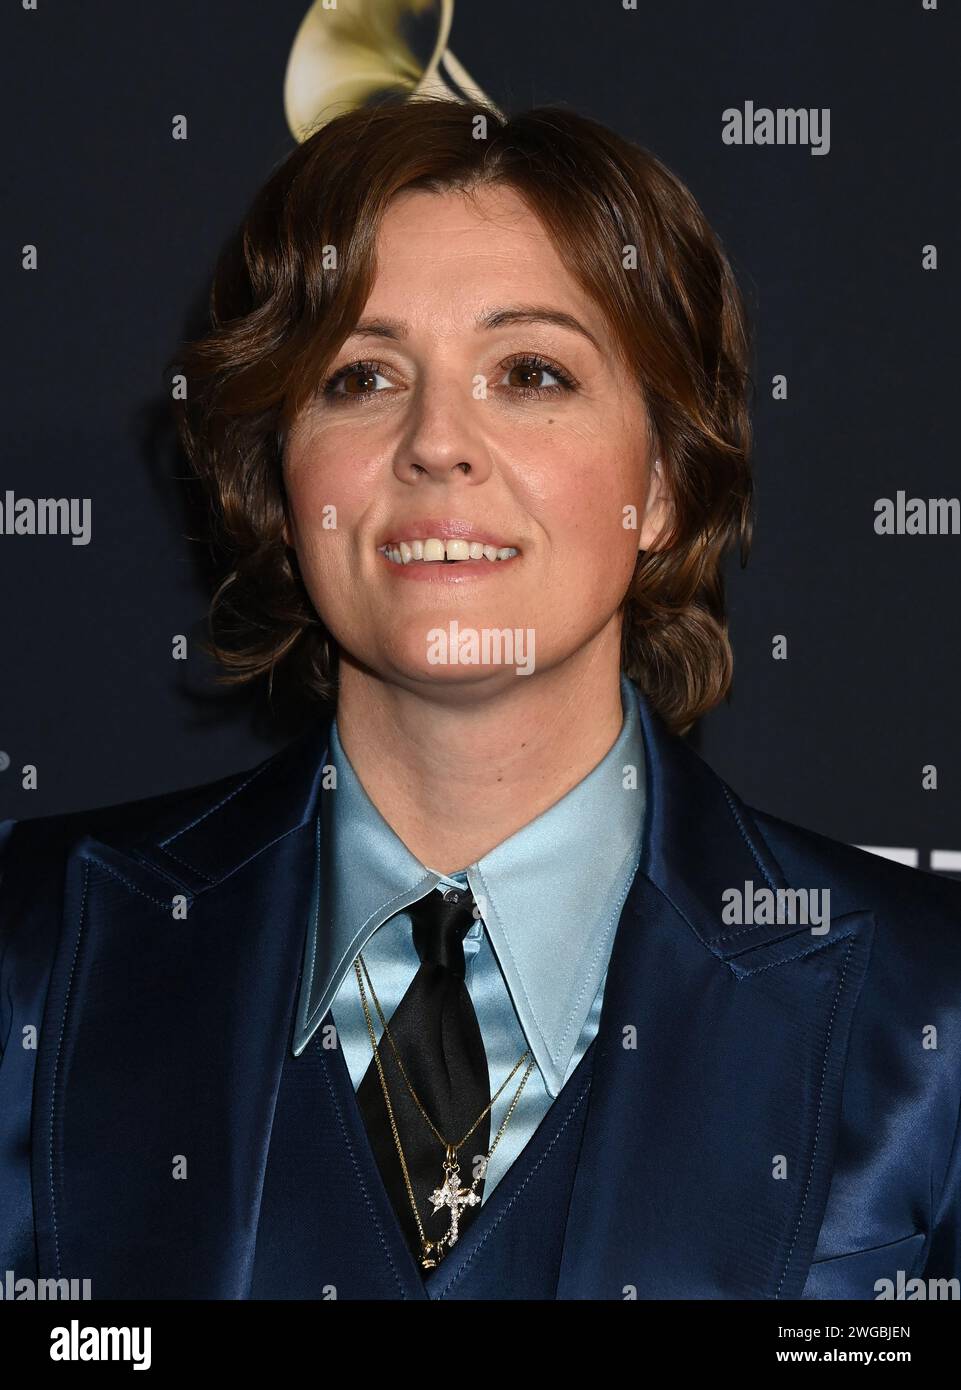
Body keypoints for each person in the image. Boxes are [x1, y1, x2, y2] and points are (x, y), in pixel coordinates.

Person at [1, 95, 960, 1302]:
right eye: (360, 374)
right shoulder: (33, 952)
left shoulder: (928, 1010)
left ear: (662, 482)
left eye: (529, 372)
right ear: (281, 479)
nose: (437, 442)